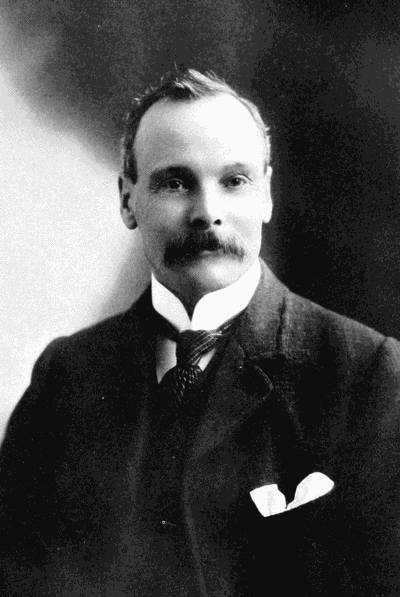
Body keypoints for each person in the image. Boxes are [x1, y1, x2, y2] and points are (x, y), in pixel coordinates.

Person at [1, 68, 400, 597]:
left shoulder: (365, 375)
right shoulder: (66, 377)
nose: (207, 212)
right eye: (175, 182)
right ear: (127, 201)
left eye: (234, 181)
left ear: (266, 195)